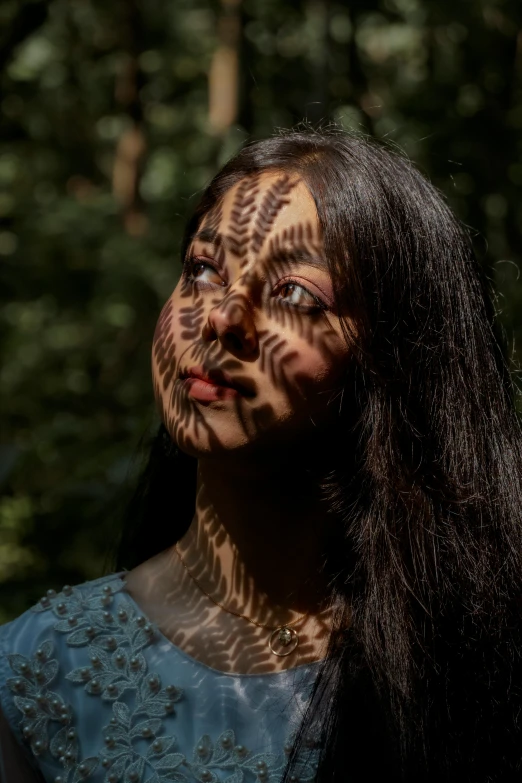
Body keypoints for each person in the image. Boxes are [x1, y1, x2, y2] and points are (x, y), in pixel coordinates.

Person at [1, 128, 522, 783]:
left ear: (391, 361)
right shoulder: (38, 670)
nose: (223, 316)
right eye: (203, 269)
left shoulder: (475, 663)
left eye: (295, 295)